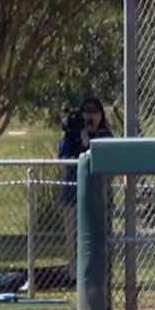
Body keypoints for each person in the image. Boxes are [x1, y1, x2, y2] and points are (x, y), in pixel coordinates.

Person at [57, 97, 113, 281]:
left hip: (98, 197)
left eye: (95, 112)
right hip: (72, 196)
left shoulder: (104, 135)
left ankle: (98, 277)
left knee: (97, 240)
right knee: (73, 240)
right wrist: (74, 136)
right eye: (87, 112)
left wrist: (88, 142)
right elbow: (63, 162)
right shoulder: (71, 136)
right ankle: (75, 277)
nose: (91, 116)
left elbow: (106, 161)